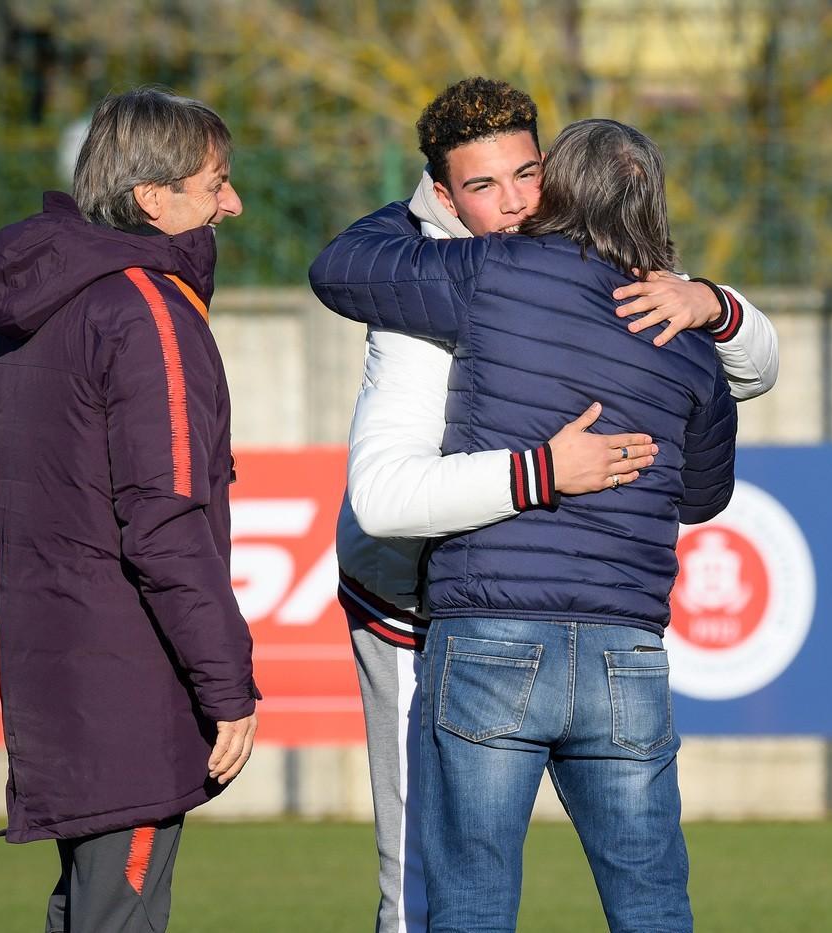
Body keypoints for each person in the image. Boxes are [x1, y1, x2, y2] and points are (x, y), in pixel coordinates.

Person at [331, 77, 778, 932]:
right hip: (626, 649)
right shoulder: (683, 336)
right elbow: (703, 494)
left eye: (527, 177)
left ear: (558, 185)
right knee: (652, 904)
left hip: (490, 633)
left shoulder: (486, 274)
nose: (508, 203)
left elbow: (342, 269)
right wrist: (705, 314)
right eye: (481, 186)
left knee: (466, 903)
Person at [0, 87, 259, 932]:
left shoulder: (51, 305)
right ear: (152, 198)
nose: (233, 203)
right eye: (215, 184)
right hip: (126, 687)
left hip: (65, 680)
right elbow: (166, 520)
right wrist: (229, 684)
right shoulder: (143, 310)